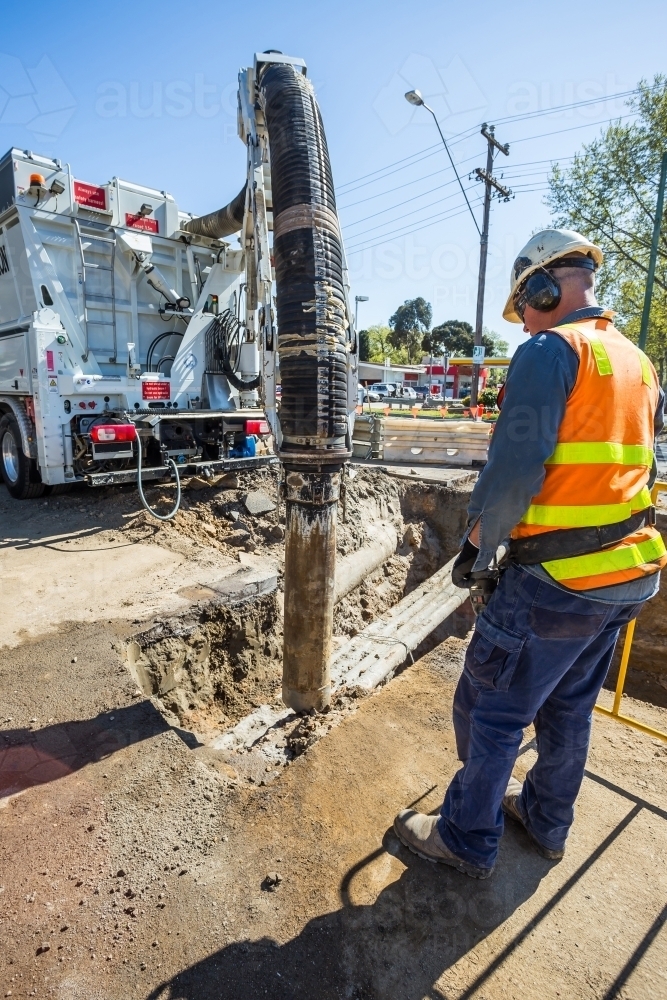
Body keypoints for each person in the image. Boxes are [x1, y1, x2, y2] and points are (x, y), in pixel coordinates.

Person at [393, 228, 667, 879]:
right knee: (568, 706)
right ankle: (545, 822)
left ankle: (464, 836)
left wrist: (477, 549)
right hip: (627, 574)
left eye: (522, 306)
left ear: (541, 287)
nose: (521, 324)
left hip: (557, 580)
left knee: (491, 708)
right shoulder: (636, 360)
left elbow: (513, 474)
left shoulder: (549, 351)